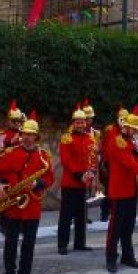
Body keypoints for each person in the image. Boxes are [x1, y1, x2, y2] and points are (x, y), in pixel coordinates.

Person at [0, 114, 54, 274]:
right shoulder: (10, 153)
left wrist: (39, 183)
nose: (26, 137)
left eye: (30, 134)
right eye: (24, 133)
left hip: (32, 206)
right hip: (13, 206)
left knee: (29, 244)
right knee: (10, 244)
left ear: (36, 137)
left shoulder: (44, 156)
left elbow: (49, 177)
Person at [104, 108, 138, 273]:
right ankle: (111, 258)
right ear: (126, 127)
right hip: (118, 190)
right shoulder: (116, 141)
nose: (136, 132)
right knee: (115, 227)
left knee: (129, 226)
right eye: (134, 129)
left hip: (130, 189)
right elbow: (128, 162)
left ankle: (127, 255)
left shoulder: (132, 142)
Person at [57, 105, 95, 254]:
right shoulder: (66, 138)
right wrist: (80, 175)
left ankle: (80, 243)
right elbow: (66, 161)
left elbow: (92, 158)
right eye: (78, 122)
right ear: (73, 123)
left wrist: (91, 171)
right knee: (66, 215)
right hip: (70, 182)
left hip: (84, 182)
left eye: (82, 122)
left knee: (81, 216)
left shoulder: (90, 137)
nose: (80, 124)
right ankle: (62, 244)